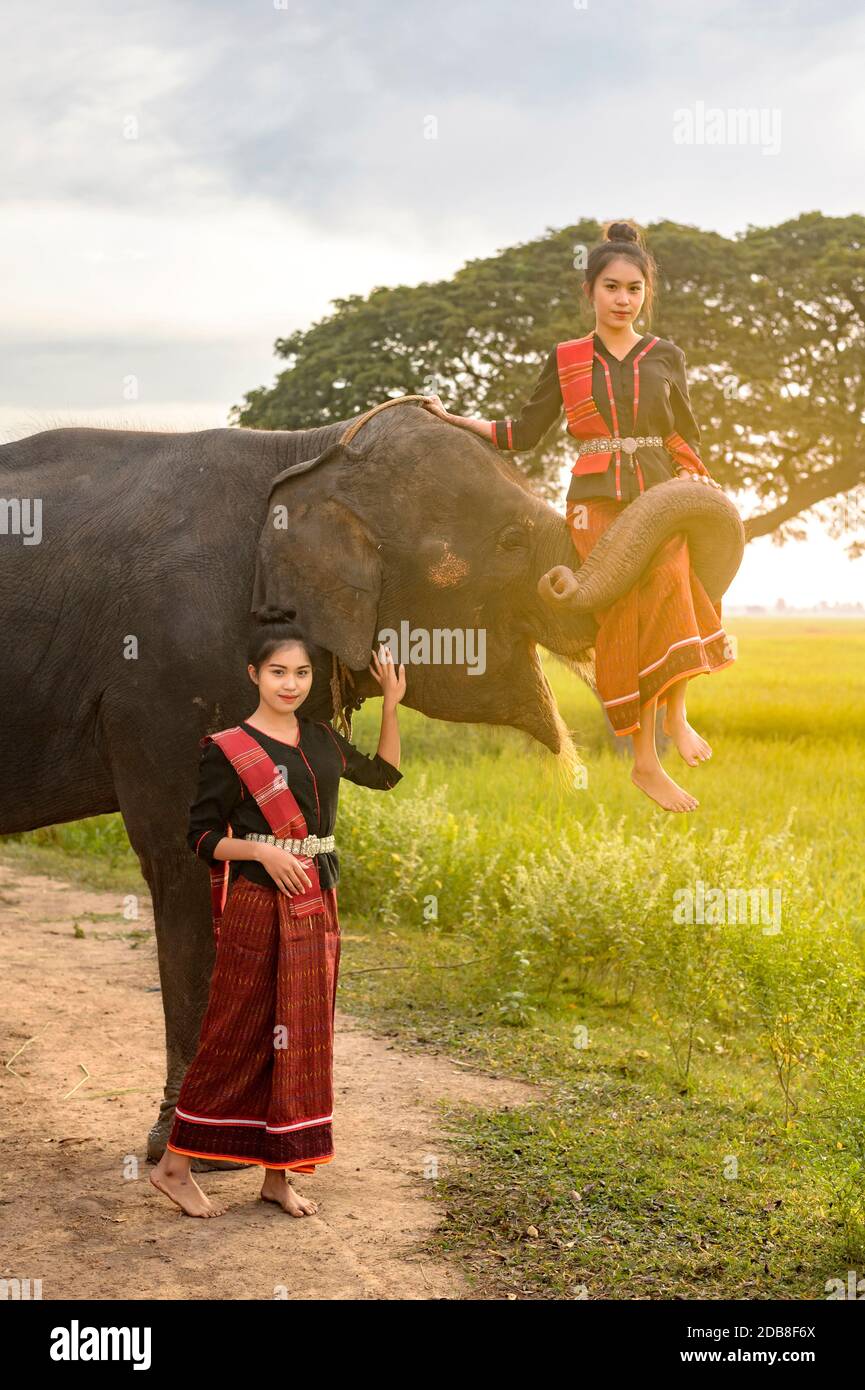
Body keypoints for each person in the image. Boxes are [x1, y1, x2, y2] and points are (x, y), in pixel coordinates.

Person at [420, 219, 734, 813]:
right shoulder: (566, 358)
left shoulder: (666, 356)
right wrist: (461, 421)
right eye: (611, 287)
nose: (622, 299)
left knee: (673, 583)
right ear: (589, 290)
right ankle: (645, 761)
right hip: (595, 506)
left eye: (634, 289)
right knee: (624, 606)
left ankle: (677, 716)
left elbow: (683, 434)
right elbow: (524, 431)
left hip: (658, 499)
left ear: (646, 294)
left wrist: (695, 475)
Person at [150, 607, 405, 1218]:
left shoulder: (320, 739)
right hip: (257, 906)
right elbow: (202, 838)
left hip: (315, 903)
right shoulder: (229, 748)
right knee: (234, 1032)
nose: (290, 684)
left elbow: (386, 775)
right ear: (253, 675)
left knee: (302, 1039)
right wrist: (262, 847)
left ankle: (279, 1174)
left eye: (301, 673)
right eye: (277, 672)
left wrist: (392, 703)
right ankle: (174, 1165)